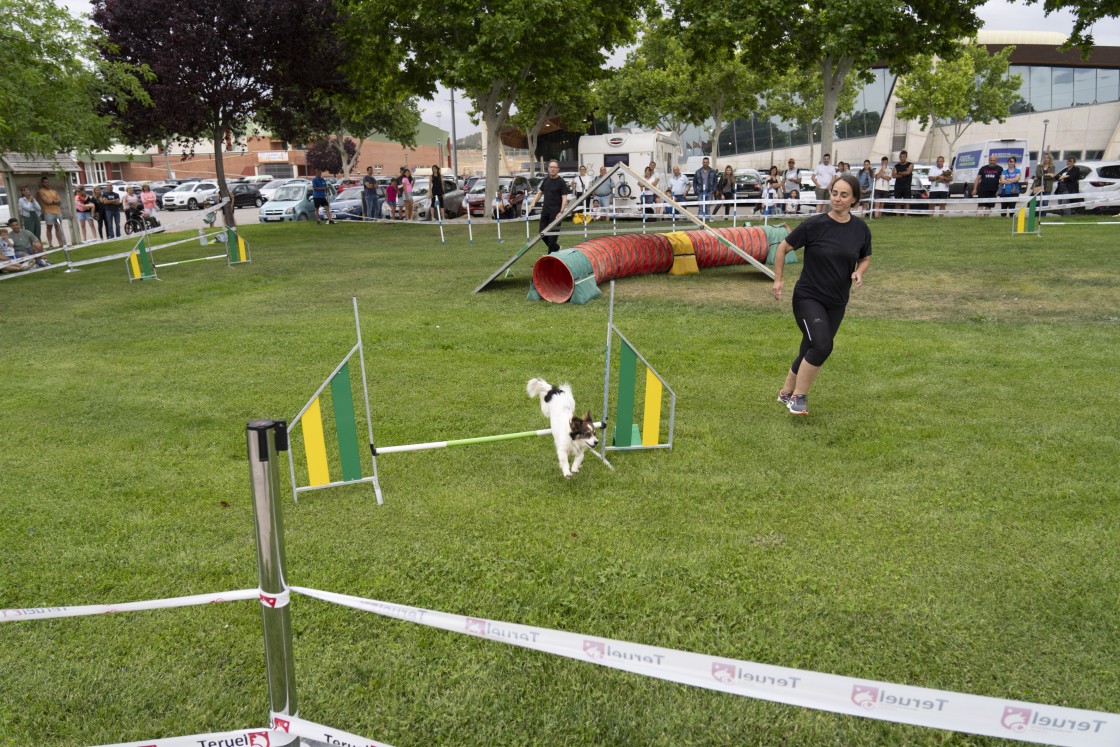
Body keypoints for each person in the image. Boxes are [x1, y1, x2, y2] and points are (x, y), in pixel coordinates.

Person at [771, 174, 871, 416]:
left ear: (854, 199)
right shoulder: (814, 225)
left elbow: (865, 257)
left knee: (810, 346)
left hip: (837, 301)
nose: (837, 198)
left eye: (844, 195)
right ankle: (798, 397)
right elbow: (783, 248)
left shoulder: (860, 228)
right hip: (808, 297)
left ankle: (785, 391)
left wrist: (858, 272)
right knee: (823, 345)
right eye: (835, 193)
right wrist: (778, 279)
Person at [528, 159, 570, 253]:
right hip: (545, 211)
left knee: (552, 237)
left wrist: (561, 212)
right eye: (551, 167)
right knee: (542, 233)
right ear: (548, 168)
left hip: (556, 212)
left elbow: (564, 198)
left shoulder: (561, 182)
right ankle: (556, 248)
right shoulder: (546, 180)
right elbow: (539, 193)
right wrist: (533, 203)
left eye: (555, 167)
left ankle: (550, 256)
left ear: (558, 169)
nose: (553, 169)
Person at [36, 177, 67, 247]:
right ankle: (50, 244)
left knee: (58, 227)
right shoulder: (41, 191)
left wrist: (53, 202)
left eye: (47, 182)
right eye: (45, 182)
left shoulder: (54, 191)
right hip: (48, 211)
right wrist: (55, 202)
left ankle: (60, 243)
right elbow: (47, 202)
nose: (46, 183)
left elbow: (60, 200)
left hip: (57, 211)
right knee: (49, 228)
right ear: (42, 183)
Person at [892, 151, 914, 217]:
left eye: (903, 157)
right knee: (897, 201)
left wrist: (899, 173)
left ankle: (906, 215)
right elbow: (894, 175)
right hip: (898, 186)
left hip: (906, 186)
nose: (902, 158)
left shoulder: (910, 164)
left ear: (906, 157)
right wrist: (904, 173)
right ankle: (897, 215)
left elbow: (908, 172)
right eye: (901, 157)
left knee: (906, 201)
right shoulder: (896, 166)